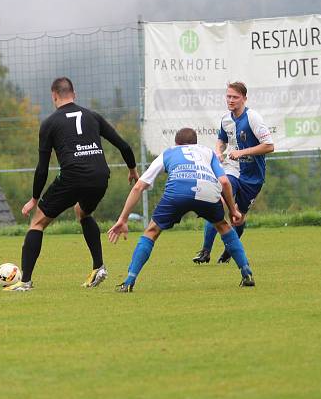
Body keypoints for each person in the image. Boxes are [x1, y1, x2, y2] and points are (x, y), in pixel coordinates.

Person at [4, 78, 138, 292]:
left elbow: (42, 168)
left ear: (54, 96)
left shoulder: (49, 123)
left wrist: (34, 198)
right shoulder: (93, 116)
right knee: (82, 213)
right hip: (100, 176)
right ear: (73, 94)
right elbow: (124, 145)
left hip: (73, 177)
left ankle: (25, 282)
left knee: (37, 223)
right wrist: (132, 169)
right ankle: (98, 267)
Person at [108, 127, 255, 292]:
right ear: (195, 143)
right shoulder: (207, 152)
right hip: (207, 191)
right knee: (223, 226)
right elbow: (225, 182)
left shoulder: (169, 152)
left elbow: (138, 187)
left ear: (176, 143)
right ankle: (246, 272)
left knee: (151, 231)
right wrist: (232, 210)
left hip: (177, 192)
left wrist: (123, 219)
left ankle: (129, 281)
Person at [192, 81, 274, 264]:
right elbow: (221, 140)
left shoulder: (253, 118)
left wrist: (242, 152)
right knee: (217, 202)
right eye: (228, 96)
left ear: (244, 98)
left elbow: (269, 146)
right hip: (232, 170)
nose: (231, 100)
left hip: (253, 175)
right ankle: (205, 251)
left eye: (235, 97)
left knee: (238, 217)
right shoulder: (225, 119)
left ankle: (230, 251)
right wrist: (219, 152)